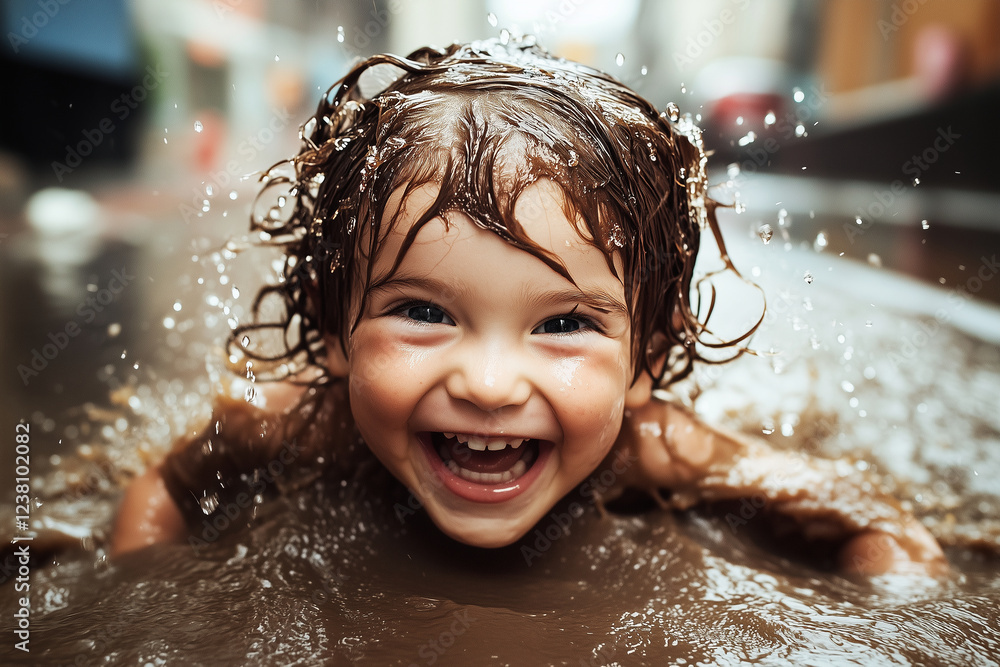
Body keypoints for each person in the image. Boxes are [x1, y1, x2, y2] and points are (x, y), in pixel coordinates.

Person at [112, 38, 945, 575]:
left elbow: (880, 527)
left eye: (564, 324)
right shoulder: (295, 423)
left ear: (646, 361)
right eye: (425, 314)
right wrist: (137, 593)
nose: (489, 382)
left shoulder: (655, 451)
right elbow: (162, 490)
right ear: (333, 330)